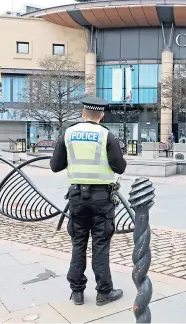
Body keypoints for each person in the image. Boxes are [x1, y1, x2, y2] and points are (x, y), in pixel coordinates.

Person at [50, 96, 127, 306]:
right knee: (100, 245)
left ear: (83, 113)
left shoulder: (68, 133)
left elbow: (55, 165)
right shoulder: (106, 136)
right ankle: (104, 292)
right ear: (101, 115)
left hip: (76, 198)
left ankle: (77, 292)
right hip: (102, 199)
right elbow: (120, 167)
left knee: (78, 243)